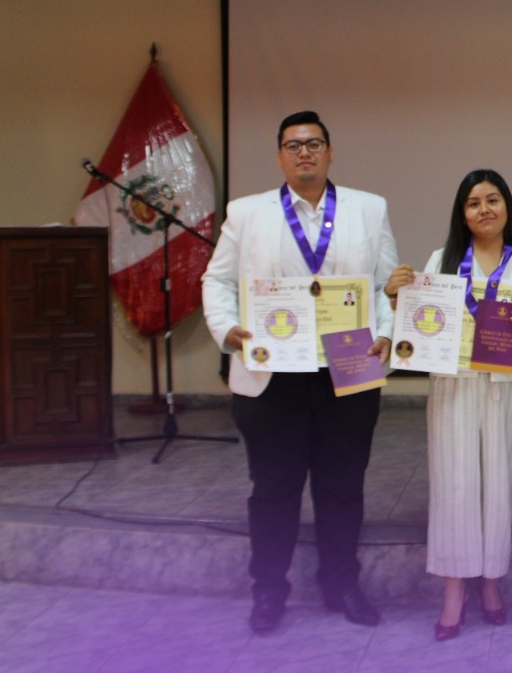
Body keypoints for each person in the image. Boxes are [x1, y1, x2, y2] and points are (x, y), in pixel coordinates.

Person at [202, 111, 397, 634]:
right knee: (273, 489)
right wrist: (229, 330)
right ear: (279, 156)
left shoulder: (368, 208)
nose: (304, 153)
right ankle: (268, 590)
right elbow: (216, 282)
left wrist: (385, 329)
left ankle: (342, 585)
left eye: (314, 144)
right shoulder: (245, 213)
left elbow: (383, 286)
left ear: (331, 152)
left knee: (342, 487)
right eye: (293, 145)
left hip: (348, 369)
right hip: (272, 380)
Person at [382, 170, 512, 641]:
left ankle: (491, 581)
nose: (484, 209)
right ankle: (454, 588)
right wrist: (397, 296)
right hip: (453, 383)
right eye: (474, 203)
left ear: (507, 207)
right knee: (454, 484)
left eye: (493, 200)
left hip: (507, 383)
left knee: (499, 482)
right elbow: (422, 325)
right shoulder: (444, 259)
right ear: (462, 214)